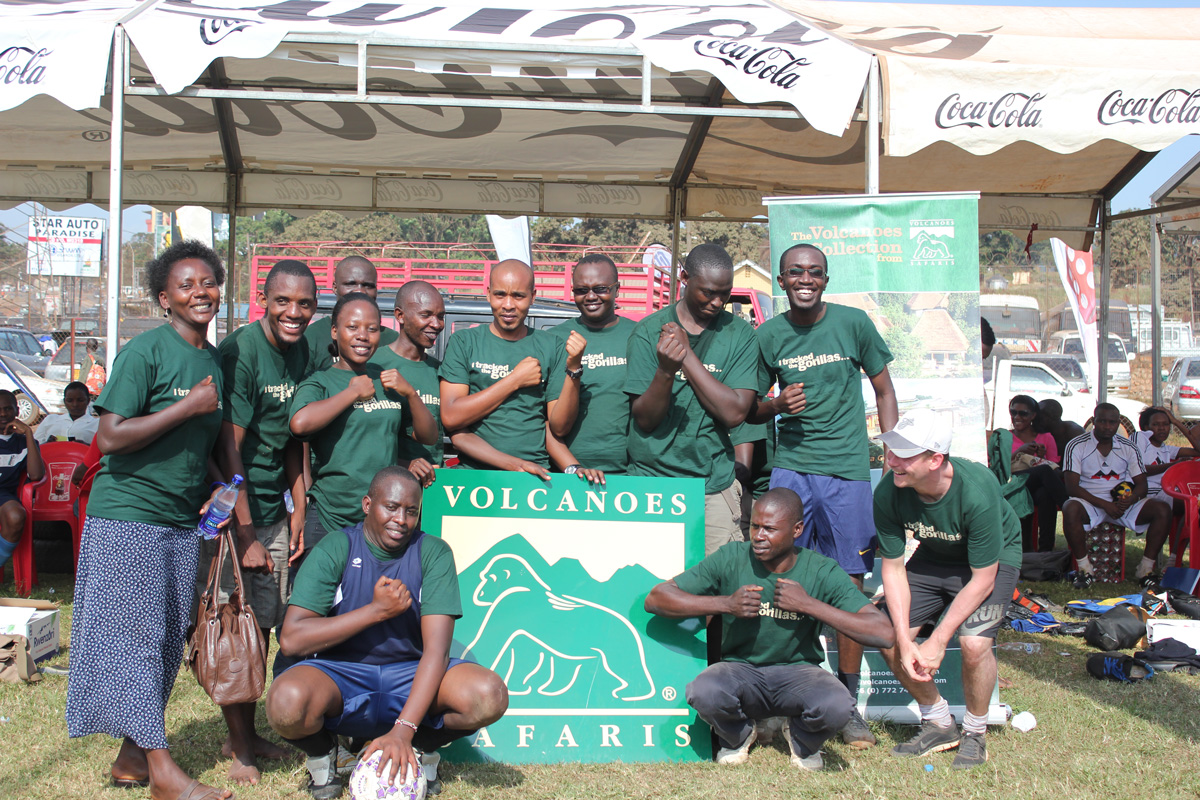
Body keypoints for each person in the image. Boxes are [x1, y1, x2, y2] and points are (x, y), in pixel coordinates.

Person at [66, 240, 234, 800]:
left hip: (182, 521)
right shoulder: (145, 353)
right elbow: (110, 436)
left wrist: (217, 486)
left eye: (207, 282)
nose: (200, 293)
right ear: (165, 298)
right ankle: (165, 774)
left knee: (164, 640)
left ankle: (131, 759)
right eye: (185, 286)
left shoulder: (211, 360)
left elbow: (201, 442)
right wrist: (187, 405)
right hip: (129, 516)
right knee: (135, 639)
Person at [265, 467, 508, 799]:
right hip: (340, 675)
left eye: (411, 511)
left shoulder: (433, 553)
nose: (401, 519)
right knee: (286, 702)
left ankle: (421, 749)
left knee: (489, 694)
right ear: (368, 505)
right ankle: (325, 756)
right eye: (391, 507)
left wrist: (404, 731)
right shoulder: (336, 548)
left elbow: (436, 653)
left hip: (409, 673)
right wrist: (375, 611)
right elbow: (292, 638)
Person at [748, 242, 898, 749]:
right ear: (782, 280)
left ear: (826, 279)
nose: (805, 279)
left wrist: (893, 453)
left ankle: (847, 704)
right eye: (795, 272)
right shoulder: (768, 335)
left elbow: (884, 390)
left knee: (848, 587)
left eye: (814, 272)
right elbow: (748, 408)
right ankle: (786, 697)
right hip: (792, 471)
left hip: (848, 473)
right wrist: (775, 404)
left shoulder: (853, 323)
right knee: (780, 577)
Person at [644, 488, 893, 770]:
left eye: (770, 529)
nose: (758, 536)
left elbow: (883, 633)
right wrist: (726, 603)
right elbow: (656, 598)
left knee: (837, 705)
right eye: (755, 526)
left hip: (799, 671)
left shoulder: (821, 570)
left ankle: (801, 739)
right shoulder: (732, 557)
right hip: (740, 669)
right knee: (704, 691)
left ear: (797, 529)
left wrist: (809, 605)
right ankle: (738, 735)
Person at [204, 258, 318, 784]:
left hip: (277, 508)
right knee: (238, 626)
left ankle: (246, 734)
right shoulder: (242, 352)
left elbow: (294, 441)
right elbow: (229, 450)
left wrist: (300, 509)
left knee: (265, 624)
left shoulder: (304, 352)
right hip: (237, 514)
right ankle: (240, 748)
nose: (294, 312)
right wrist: (244, 533)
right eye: (283, 302)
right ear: (263, 303)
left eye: (304, 304)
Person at [873, 409, 1022, 770]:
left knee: (973, 644)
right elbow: (892, 569)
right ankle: (939, 721)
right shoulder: (888, 490)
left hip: (992, 559)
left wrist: (938, 639)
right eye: (890, 451)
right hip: (935, 556)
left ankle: (975, 732)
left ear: (935, 459)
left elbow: (983, 577)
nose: (892, 461)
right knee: (885, 634)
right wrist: (906, 640)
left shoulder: (976, 489)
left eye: (904, 455)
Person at [625, 243, 760, 555]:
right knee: (650, 584)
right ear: (684, 277)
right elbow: (645, 420)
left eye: (724, 294)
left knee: (716, 588)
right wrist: (665, 371)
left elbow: (735, 413)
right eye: (708, 292)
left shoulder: (740, 335)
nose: (717, 302)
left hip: (712, 486)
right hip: (652, 482)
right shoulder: (648, 332)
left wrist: (686, 356)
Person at [291, 294, 436, 557]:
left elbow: (427, 435)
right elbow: (299, 424)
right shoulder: (321, 380)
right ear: (335, 331)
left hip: (382, 523)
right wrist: (352, 393)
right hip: (330, 518)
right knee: (321, 597)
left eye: (372, 329)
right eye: (352, 327)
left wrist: (411, 394)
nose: (363, 336)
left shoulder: (385, 379)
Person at [439, 259, 583, 474]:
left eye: (518, 296)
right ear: (488, 293)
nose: (508, 305)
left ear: (532, 297)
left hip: (535, 473)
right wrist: (514, 380)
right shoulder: (464, 341)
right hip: (473, 474)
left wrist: (574, 370)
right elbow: (451, 417)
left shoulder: (552, 345)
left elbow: (559, 427)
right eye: (500, 294)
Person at [1062, 402, 1172, 589]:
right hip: (1089, 500)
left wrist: (1131, 499)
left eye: (1112, 422)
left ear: (1118, 423)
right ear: (1093, 422)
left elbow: (1142, 484)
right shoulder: (1076, 445)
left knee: (1162, 509)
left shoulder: (1129, 447)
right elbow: (1071, 488)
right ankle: (1084, 569)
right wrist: (1105, 505)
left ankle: (1145, 569)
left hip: (1121, 502)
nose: (1107, 426)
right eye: (1102, 421)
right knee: (1069, 508)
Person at [548, 253, 636, 478]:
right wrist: (571, 467)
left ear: (617, 289)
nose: (590, 296)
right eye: (581, 290)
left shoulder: (639, 335)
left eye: (600, 288)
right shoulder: (553, 339)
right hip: (567, 474)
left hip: (630, 474)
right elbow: (541, 419)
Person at [370, 281, 447, 488]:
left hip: (434, 487)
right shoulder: (374, 366)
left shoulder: (441, 370)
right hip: (389, 488)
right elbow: (365, 438)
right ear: (400, 315)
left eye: (441, 317)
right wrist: (404, 464)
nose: (437, 324)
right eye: (426, 315)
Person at [303, 256, 399, 374]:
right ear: (335, 287)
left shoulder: (393, 340)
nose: (360, 291)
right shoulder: (311, 337)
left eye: (368, 286)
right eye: (351, 284)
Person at [1008, 394, 1069, 551]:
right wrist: (1019, 451)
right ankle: (1068, 506)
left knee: (1045, 494)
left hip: (1037, 487)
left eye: (1023, 413)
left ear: (1033, 415)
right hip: (1012, 482)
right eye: (1013, 412)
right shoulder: (1005, 437)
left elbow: (1053, 465)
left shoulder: (1046, 437)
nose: (1017, 417)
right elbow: (999, 467)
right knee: (1043, 470)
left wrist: (1040, 456)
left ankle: (1045, 551)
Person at [0, 389, 44, 570]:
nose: (3, 413)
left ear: (17, 411)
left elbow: (36, 475)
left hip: (3, 494)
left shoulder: (22, 442)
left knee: (16, 516)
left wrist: (28, 434)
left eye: (8, 408)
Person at [1135, 406, 1200, 513]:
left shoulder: (1167, 449)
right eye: (1156, 424)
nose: (1162, 428)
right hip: (1145, 489)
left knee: (1192, 505)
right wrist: (1173, 465)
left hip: (1164, 490)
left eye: (1166, 424)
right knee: (1191, 504)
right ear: (1146, 427)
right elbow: (1139, 469)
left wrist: (1175, 422)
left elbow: (1198, 451)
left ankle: (1186, 530)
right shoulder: (1140, 438)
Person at [34, 381, 98, 444]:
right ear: (64, 401)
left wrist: (87, 447)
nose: (75, 404)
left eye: (80, 400)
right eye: (70, 401)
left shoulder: (97, 424)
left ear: (88, 401)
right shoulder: (50, 420)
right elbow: (33, 446)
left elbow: (104, 450)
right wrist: (48, 444)